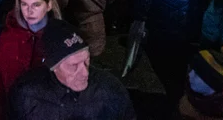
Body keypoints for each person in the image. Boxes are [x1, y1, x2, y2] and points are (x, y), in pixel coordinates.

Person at [7, 20, 136, 120]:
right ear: (53, 67)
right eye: (74, 65)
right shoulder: (26, 94)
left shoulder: (111, 89)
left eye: (86, 60)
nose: (85, 73)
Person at [0, 0, 62, 120]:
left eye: (36, 5)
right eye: (24, 4)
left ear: (49, 5)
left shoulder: (61, 41)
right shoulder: (9, 34)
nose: (29, 11)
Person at [178, 47, 223, 120]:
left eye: (197, 75)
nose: (190, 75)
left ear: (213, 85)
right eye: (192, 70)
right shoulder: (194, 91)